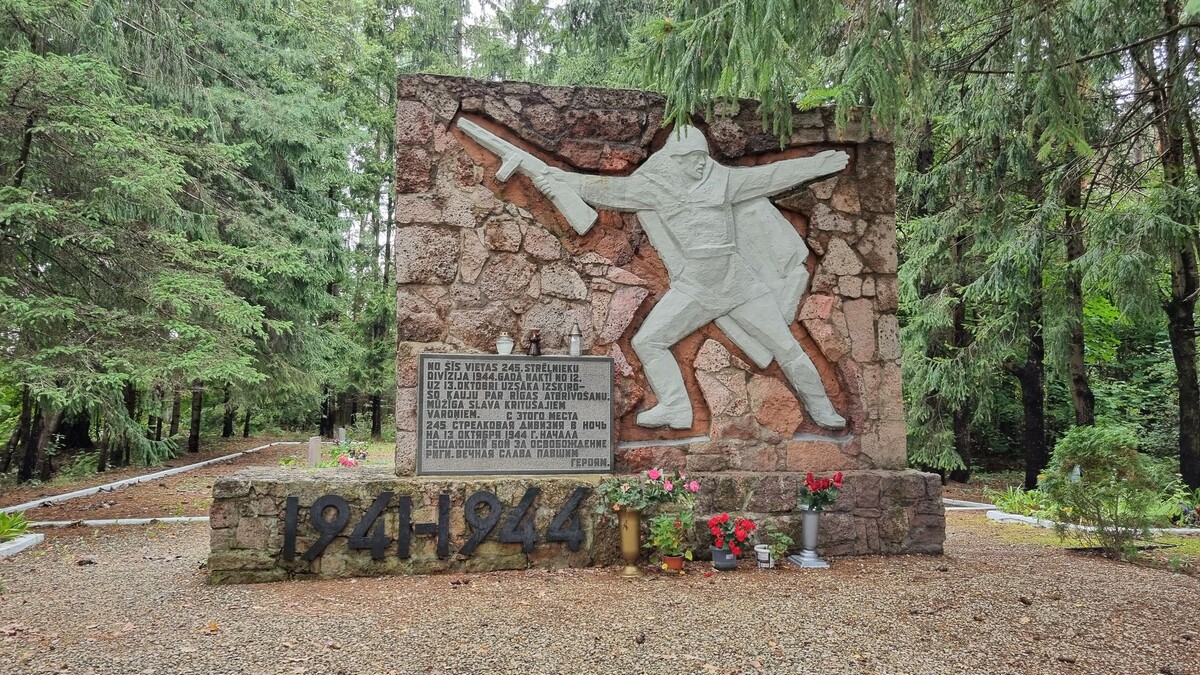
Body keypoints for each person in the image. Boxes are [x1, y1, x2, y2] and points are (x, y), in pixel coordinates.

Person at [534, 126, 849, 430]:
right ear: (674, 159)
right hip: (696, 286)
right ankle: (677, 408)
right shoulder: (654, 188)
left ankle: (822, 408)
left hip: (737, 283)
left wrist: (817, 164)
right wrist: (556, 178)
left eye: (703, 156)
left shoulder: (722, 180)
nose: (700, 162)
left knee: (787, 348)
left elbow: (769, 177)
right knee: (648, 342)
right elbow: (604, 190)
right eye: (692, 157)